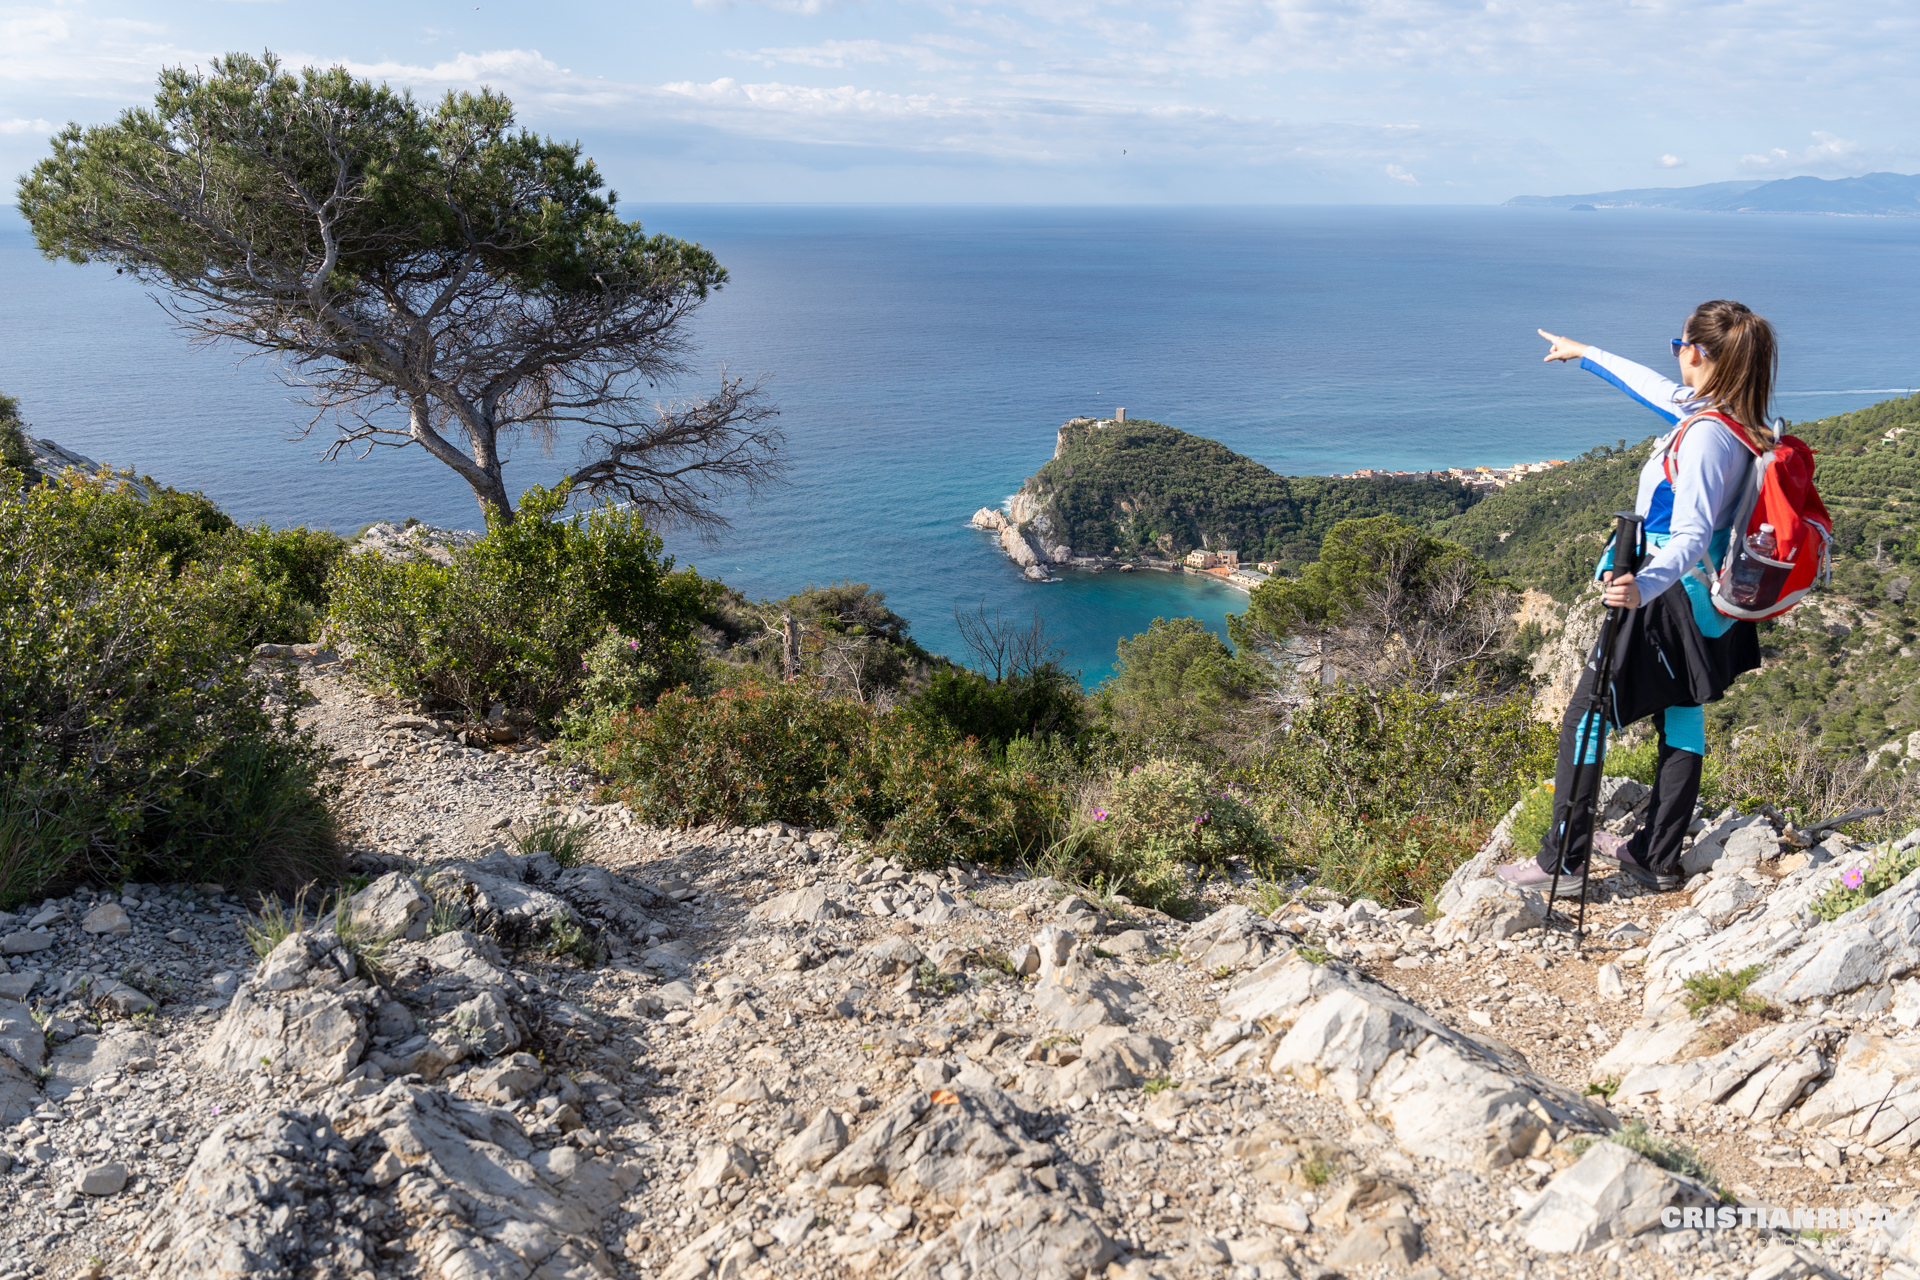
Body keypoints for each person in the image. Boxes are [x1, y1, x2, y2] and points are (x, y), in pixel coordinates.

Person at [1497, 299, 1774, 894]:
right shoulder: (1741, 422)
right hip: (1715, 602)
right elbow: (1653, 389)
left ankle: (1563, 865)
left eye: (1678, 347)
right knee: (1683, 713)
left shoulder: (1704, 438)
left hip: (1667, 596)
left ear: (1697, 354)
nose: (1673, 357)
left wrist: (1640, 586)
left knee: (1586, 718)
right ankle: (1656, 854)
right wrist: (1584, 353)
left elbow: (1693, 530)